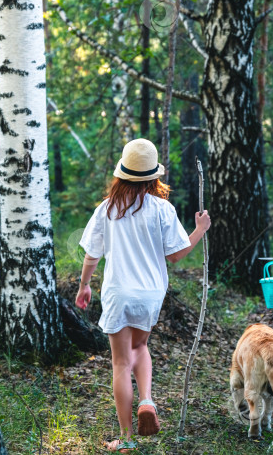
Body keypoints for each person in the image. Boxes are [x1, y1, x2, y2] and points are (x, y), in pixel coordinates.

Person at [75, 138, 211, 451]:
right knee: (141, 345)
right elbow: (175, 256)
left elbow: (92, 255)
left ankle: (125, 439)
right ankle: (147, 399)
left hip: (118, 291)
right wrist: (200, 229)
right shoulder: (163, 209)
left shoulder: (106, 209)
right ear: (153, 177)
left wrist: (85, 284)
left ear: (122, 174)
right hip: (151, 293)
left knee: (121, 363)